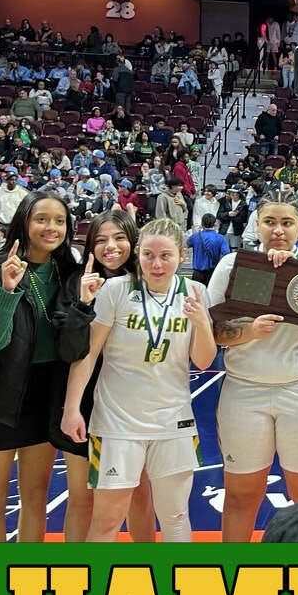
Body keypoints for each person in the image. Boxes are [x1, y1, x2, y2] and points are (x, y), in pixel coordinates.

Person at [61, 218, 215, 542]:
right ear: (138, 255)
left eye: (165, 256)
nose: (156, 264)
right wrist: (71, 408)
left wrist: (202, 324)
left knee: (175, 517)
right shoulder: (116, 290)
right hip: (117, 423)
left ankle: (180, 589)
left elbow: (203, 361)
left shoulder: (196, 292)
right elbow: (88, 354)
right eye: (148, 255)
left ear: (182, 255)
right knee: (108, 520)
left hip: (173, 421)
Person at [207, 192, 298, 543]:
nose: (278, 230)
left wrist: (292, 274)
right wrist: (249, 331)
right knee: (239, 496)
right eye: (270, 222)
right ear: (257, 225)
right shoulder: (233, 264)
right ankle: (233, 582)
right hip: (244, 389)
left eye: (286, 223)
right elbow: (215, 333)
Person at [0, 192, 78, 542]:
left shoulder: (69, 273)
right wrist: (8, 292)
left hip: (45, 395)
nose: (51, 227)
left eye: (59, 220)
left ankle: (27, 580)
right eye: (41, 218)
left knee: (35, 498)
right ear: (24, 222)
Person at [51, 212, 157, 543]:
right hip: (82, 400)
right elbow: (69, 351)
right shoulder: (75, 283)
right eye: (100, 240)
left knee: (139, 494)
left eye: (119, 238)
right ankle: (78, 579)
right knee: (83, 497)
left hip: (132, 405)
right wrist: (82, 304)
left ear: (134, 241)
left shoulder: (152, 282)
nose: (110, 247)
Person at [186, 213, 229, 285]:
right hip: (213, 273)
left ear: (202, 224)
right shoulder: (220, 238)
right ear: (215, 224)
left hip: (197, 273)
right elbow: (226, 254)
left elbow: (184, 246)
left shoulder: (195, 236)